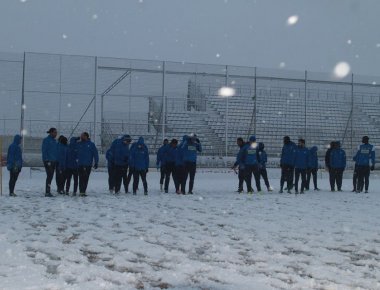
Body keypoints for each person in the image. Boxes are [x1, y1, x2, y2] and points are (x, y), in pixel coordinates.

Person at [77, 132, 99, 196]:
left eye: (82, 136)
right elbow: (72, 146)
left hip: (88, 165)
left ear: (86, 136)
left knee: (86, 178)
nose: (81, 137)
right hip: (80, 164)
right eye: (81, 136)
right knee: (81, 178)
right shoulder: (78, 144)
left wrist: (96, 162)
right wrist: (75, 139)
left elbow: (95, 154)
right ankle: (81, 192)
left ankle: (83, 191)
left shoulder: (91, 144)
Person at [42, 128, 58, 197]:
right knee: (49, 176)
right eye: (54, 132)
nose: (56, 134)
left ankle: (48, 191)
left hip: (54, 161)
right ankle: (47, 192)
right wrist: (47, 160)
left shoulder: (55, 141)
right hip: (48, 161)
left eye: (56, 132)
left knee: (51, 176)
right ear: (51, 133)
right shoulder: (46, 140)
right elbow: (44, 151)